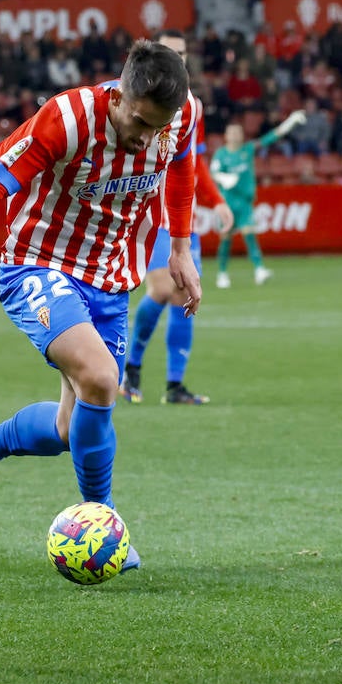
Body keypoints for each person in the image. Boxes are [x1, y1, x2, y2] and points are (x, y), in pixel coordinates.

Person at [0, 40, 203, 573]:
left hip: (110, 279)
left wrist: (179, 250)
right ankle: (102, 525)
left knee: (71, 428)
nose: (147, 137)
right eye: (139, 122)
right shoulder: (67, 117)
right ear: (121, 93)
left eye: (158, 128)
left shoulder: (179, 118)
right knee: (104, 380)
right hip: (41, 264)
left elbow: (180, 170)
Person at [120, 29, 235, 406]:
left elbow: (192, 163)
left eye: (183, 53)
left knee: (185, 293)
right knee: (163, 289)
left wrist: (215, 200)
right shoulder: (134, 101)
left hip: (181, 215)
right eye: (172, 52)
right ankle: (132, 367)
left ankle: (174, 385)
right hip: (148, 211)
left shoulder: (191, 107)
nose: (179, 58)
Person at [211, 109, 306, 288]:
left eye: (238, 132)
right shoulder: (221, 154)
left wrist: (290, 122)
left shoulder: (248, 149)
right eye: (231, 132)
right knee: (225, 239)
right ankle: (222, 274)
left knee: (250, 235)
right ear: (226, 135)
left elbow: (271, 137)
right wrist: (223, 178)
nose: (235, 135)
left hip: (245, 203)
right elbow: (213, 173)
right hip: (228, 203)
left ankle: (259, 270)